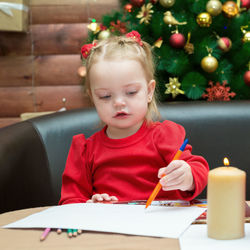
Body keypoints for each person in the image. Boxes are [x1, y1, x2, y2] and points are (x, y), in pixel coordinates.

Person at [58, 31, 209, 236]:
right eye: (105, 96)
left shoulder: (164, 135)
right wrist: (89, 206)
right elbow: (70, 203)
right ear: (92, 98)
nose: (119, 102)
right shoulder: (85, 149)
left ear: (148, 91)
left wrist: (187, 175)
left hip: (166, 232)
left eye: (130, 93)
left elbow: (198, 170)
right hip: (111, 235)